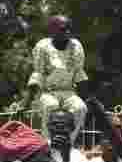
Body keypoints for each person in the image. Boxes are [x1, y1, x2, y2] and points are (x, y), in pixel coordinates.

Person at [25, 15, 89, 144]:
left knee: (81, 107)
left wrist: (88, 98)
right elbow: (38, 74)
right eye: (63, 29)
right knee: (51, 106)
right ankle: (47, 143)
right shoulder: (43, 46)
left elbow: (79, 73)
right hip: (47, 92)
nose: (67, 32)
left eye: (69, 29)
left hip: (69, 92)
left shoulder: (76, 46)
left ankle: (68, 143)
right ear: (52, 30)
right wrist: (27, 100)